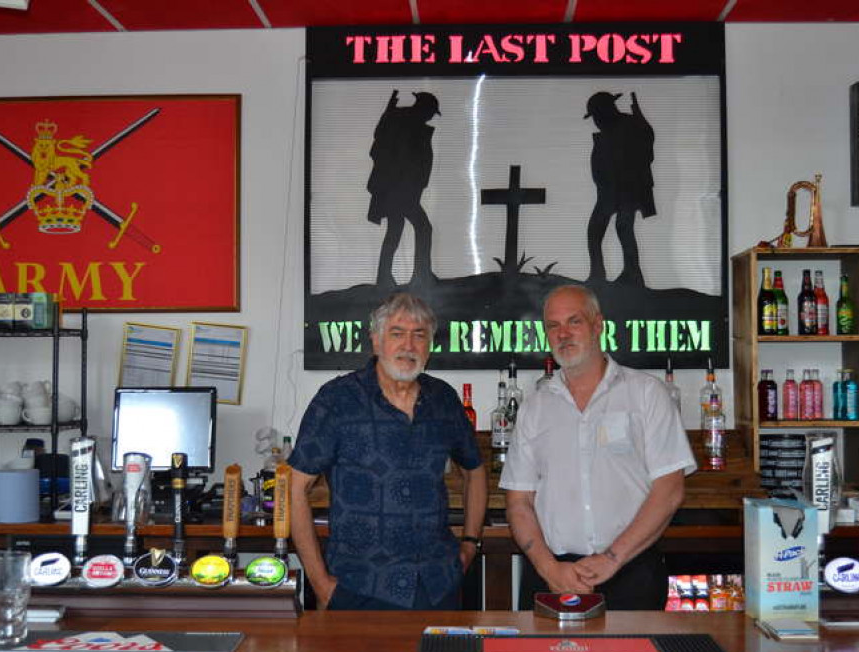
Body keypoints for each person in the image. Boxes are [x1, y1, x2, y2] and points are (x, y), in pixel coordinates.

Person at [289, 292, 487, 610]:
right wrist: (320, 583)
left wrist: (469, 543)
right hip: (359, 587)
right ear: (376, 341)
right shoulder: (337, 400)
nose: (408, 345)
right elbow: (294, 489)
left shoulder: (444, 400)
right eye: (397, 333)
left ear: (430, 345)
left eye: (419, 335)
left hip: (436, 586)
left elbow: (475, 470)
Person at [500, 285, 694, 610]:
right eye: (553, 325)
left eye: (574, 321)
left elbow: (670, 491)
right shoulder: (534, 407)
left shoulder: (647, 394)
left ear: (598, 324)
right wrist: (549, 568)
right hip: (552, 575)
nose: (563, 334)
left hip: (631, 570)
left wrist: (611, 559)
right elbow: (518, 502)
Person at [366, 90, 440, 287]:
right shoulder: (402, 121)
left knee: (395, 230)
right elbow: (383, 144)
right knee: (422, 228)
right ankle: (418, 274)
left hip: (403, 188)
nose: (431, 116)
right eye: (431, 112)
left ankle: (387, 276)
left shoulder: (404, 120)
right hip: (398, 188)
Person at [584, 91, 656, 287]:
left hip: (627, 189)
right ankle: (599, 273)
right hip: (608, 191)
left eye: (597, 115)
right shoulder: (611, 130)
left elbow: (647, 146)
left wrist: (639, 117)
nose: (596, 121)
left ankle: (632, 274)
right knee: (596, 230)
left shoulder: (631, 125)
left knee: (623, 228)